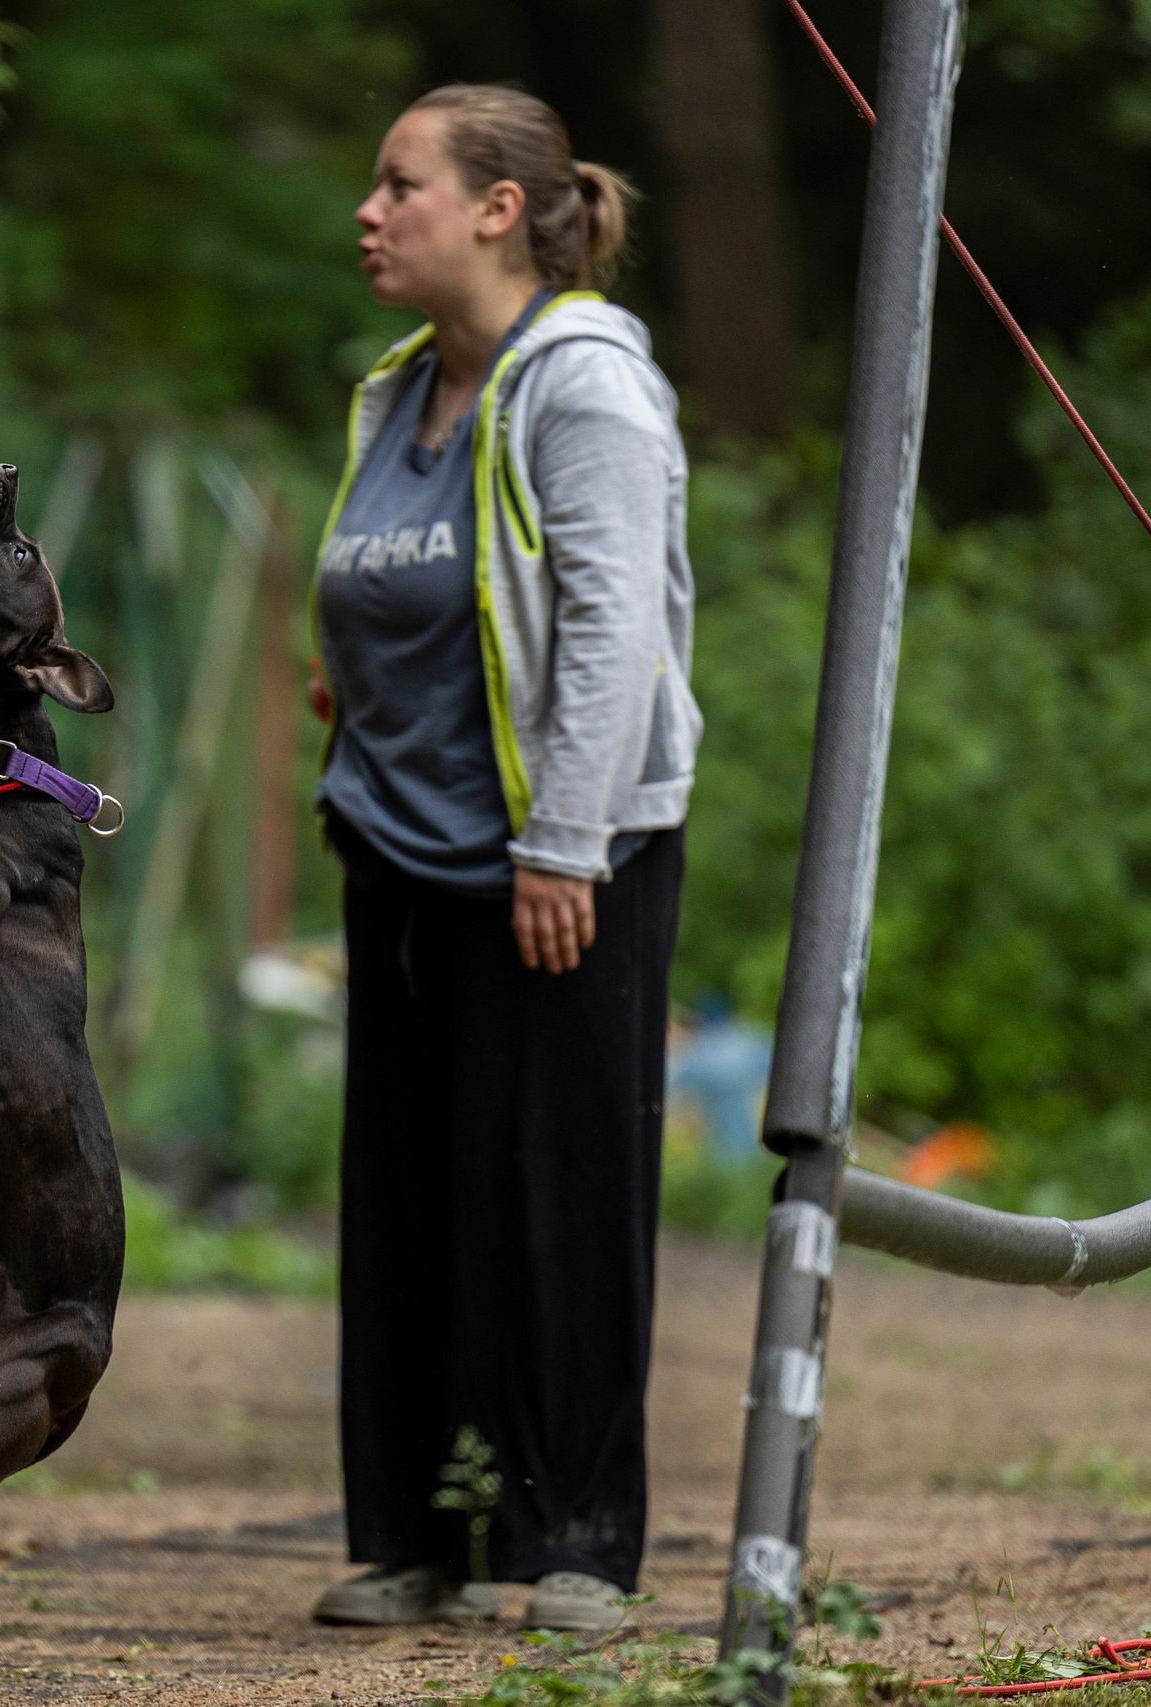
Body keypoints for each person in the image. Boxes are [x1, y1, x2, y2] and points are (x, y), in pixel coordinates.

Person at [305, 84, 697, 1634]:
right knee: (408, 1200)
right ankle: (417, 1535)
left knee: (561, 1197)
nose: (369, 208)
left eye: (399, 183)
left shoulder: (584, 383)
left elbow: (613, 629)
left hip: (557, 860)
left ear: (497, 209)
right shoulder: (396, 391)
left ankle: (580, 1543)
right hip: (399, 852)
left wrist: (563, 843)